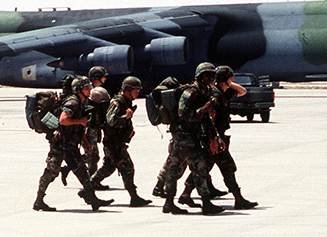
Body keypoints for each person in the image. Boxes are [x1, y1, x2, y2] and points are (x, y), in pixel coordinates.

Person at [178, 66, 258, 210]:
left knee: (207, 167)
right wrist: (214, 139)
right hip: (214, 139)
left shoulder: (223, 92)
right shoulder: (215, 94)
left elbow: (242, 91)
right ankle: (238, 199)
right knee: (225, 167)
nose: (233, 80)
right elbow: (211, 118)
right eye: (230, 78)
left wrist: (226, 82)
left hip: (216, 137)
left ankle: (186, 194)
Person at [33, 76, 114, 211]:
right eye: (86, 88)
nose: (90, 90)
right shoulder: (73, 102)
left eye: (89, 87)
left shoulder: (82, 102)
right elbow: (63, 120)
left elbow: (78, 127)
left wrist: (86, 142)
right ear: (78, 90)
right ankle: (39, 200)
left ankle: (92, 199)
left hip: (70, 145)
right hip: (60, 144)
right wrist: (80, 121)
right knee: (51, 172)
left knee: (82, 171)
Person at [161, 62, 224, 215]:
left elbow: (207, 119)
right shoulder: (191, 91)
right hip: (184, 136)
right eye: (208, 75)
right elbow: (183, 114)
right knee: (199, 168)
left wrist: (214, 136)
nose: (211, 78)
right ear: (200, 76)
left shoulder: (205, 91)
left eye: (212, 75)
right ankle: (206, 203)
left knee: (174, 169)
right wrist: (203, 110)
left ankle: (169, 203)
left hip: (187, 136)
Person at [90, 77, 152, 207]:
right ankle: (134, 197)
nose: (138, 93)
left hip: (116, 142)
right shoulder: (117, 102)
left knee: (108, 168)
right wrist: (125, 117)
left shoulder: (126, 101)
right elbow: (111, 121)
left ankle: (87, 188)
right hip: (113, 143)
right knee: (127, 168)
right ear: (128, 90)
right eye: (136, 90)